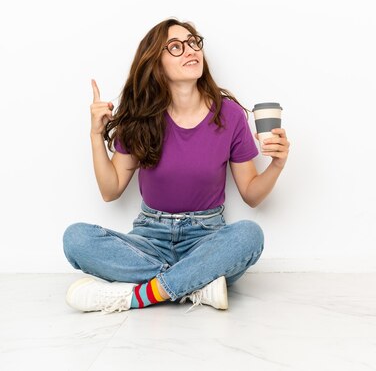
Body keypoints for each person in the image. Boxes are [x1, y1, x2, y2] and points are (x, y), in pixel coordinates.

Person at [62, 18, 290, 313]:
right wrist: (95, 134)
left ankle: (139, 295)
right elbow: (110, 190)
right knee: (76, 239)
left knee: (249, 235)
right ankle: (197, 283)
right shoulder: (139, 118)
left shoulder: (229, 115)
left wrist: (277, 164)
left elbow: (251, 193)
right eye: (176, 46)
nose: (190, 50)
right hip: (149, 239)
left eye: (194, 42)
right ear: (156, 62)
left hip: (206, 237)